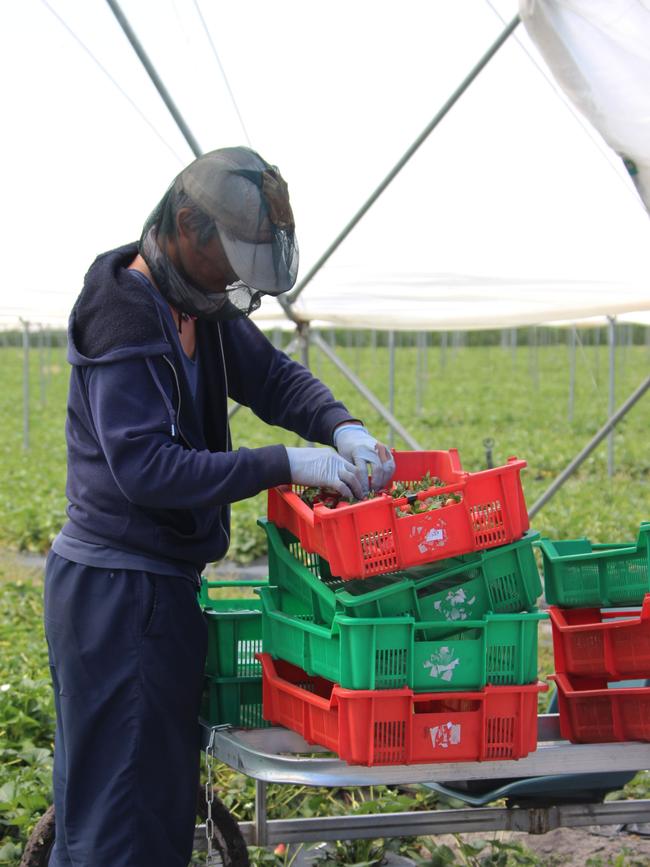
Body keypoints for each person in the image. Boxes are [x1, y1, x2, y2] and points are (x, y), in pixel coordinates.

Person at [43, 145, 395, 867]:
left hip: (156, 590)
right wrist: (285, 462)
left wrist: (339, 426)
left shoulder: (195, 303)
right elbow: (147, 469)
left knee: (142, 800)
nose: (234, 283)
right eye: (226, 264)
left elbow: (273, 379)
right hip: (118, 593)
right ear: (183, 226)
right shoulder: (123, 314)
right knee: (122, 819)